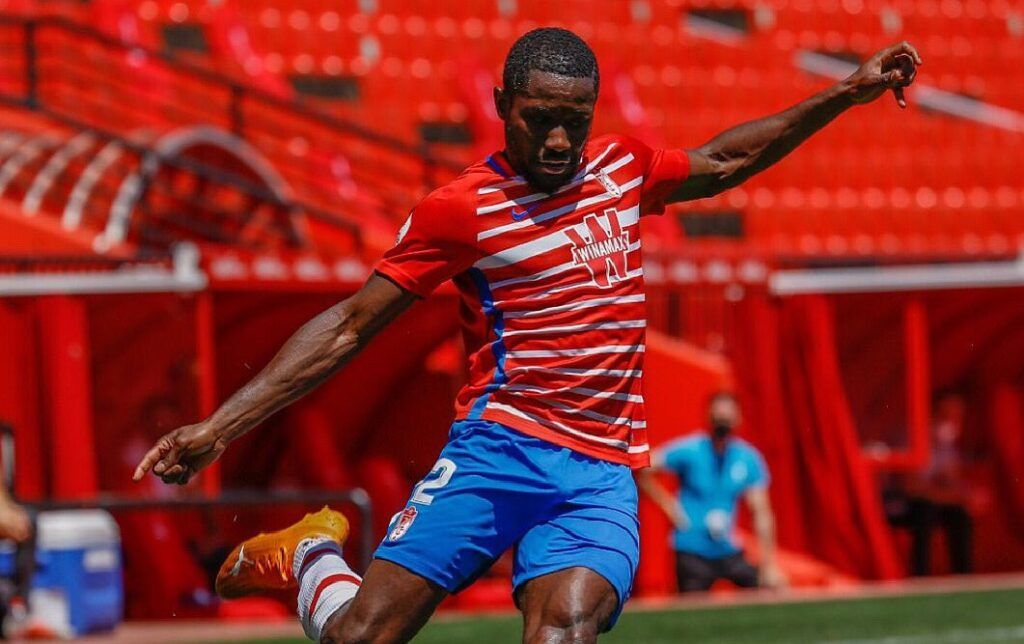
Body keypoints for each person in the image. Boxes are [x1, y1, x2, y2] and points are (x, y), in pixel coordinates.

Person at [133, 27, 921, 643]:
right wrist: (218, 427)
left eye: (572, 124)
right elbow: (346, 326)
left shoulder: (621, 169)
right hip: (497, 452)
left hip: (600, 470)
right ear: (504, 103)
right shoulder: (462, 210)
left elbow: (724, 157)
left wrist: (845, 93)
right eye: (539, 119)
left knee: (565, 629)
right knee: (359, 636)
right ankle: (310, 554)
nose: (555, 142)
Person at [638, 392, 784, 592]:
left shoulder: (747, 458)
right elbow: (644, 468)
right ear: (709, 417)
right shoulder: (691, 450)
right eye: (718, 417)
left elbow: (761, 512)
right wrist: (669, 506)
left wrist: (769, 565)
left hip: (727, 547)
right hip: (692, 548)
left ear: (738, 419)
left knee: (768, 588)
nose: (722, 423)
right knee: (692, 611)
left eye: (727, 417)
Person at [905, 392, 975, 575]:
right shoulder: (911, 438)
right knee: (924, 509)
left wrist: (965, 495)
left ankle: (964, 580)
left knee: (960, 513)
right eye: (946, 415)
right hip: (902, 504)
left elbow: (952, 483)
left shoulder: (947, 446)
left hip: (935, 501)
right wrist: (953, 495)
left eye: (957, 417)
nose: (952, 422)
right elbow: (912, 489)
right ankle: (920, 579)